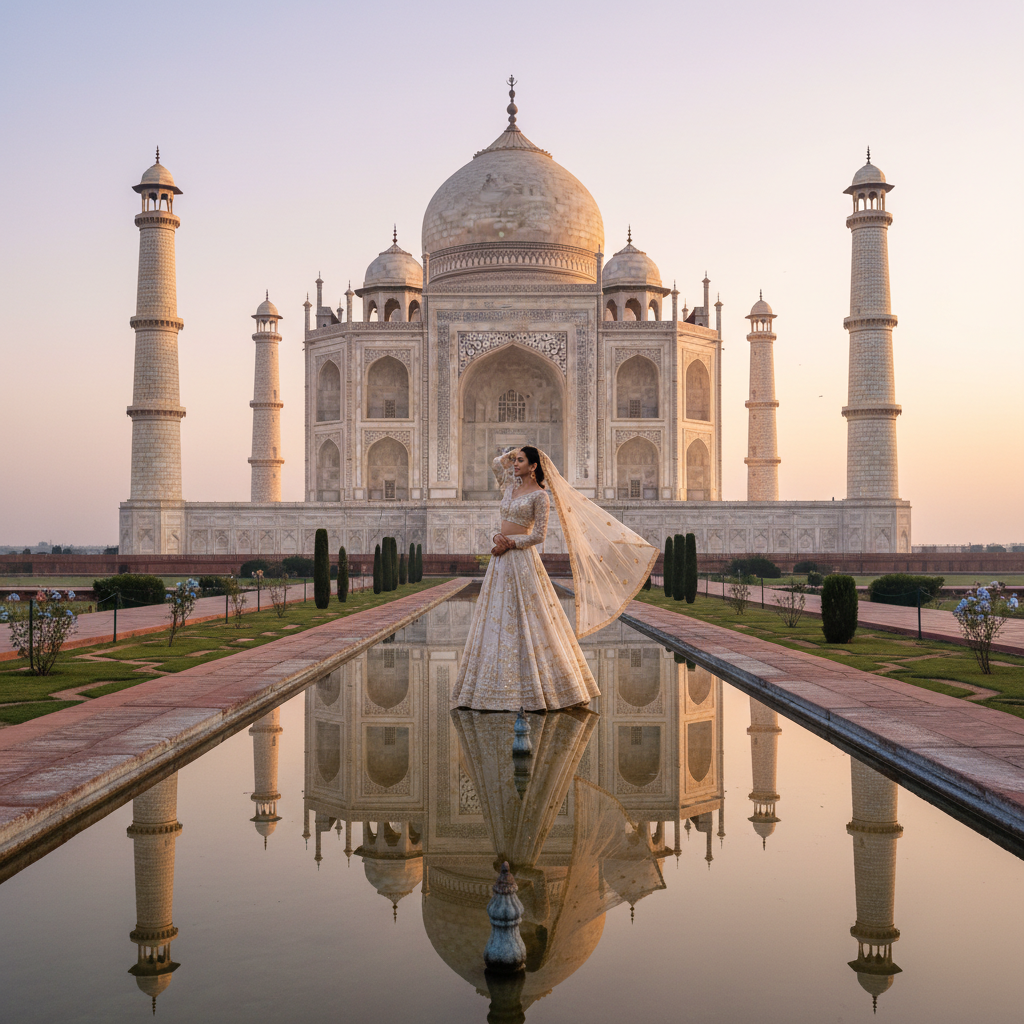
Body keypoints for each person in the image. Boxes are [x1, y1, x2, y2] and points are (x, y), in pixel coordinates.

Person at [452, 446, 657, 712]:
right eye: (514, 460)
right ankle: (493, 686)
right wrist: (496, 538)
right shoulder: (510, 487)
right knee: (496, 621)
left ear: (534, 466)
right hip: (501, 559)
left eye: (520, 460)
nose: (514, 464)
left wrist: (511, 544)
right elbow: (496, 467)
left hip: (520, 559)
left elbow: (538, 535)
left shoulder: (540, 496)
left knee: (530, 621)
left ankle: (540, 689)